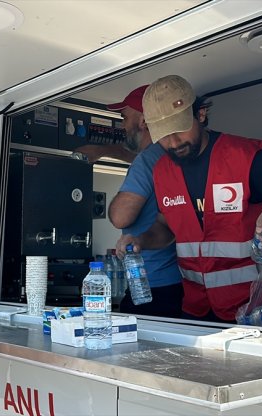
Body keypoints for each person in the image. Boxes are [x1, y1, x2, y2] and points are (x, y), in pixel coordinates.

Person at [110, 75, 262, 323]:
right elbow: (166, 227)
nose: (174, 142)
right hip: (196, 310)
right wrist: (141, 239)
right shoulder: (162, 171)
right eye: (164, 136)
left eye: (179, 130)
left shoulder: (249, 159)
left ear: (200, 115)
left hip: (259, 310)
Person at [89, 85, 183, 318]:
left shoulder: (146, 161)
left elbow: (121, 216)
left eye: (125, 117)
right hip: (178, 281)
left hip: (151, 285)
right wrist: (103, 150)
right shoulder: (169, 155)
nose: (122, 125)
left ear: (143, 120)